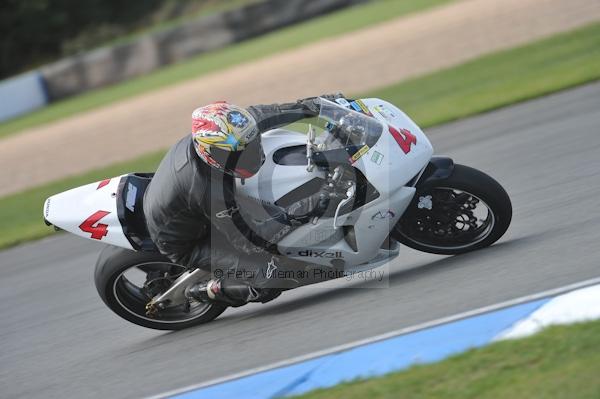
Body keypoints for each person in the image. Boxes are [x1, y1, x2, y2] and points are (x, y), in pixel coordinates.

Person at [143, 94, 344, 306]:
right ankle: (204, 291)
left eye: (252, 145)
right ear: (211, 153)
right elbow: (249, 239)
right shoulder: (208, 189)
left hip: (185, 206)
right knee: (272, 277)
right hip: (190, 240)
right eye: (241, 154)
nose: (252, 155)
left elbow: (273, 113)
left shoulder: (233, 132)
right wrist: (312, 204)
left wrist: (320, 105)